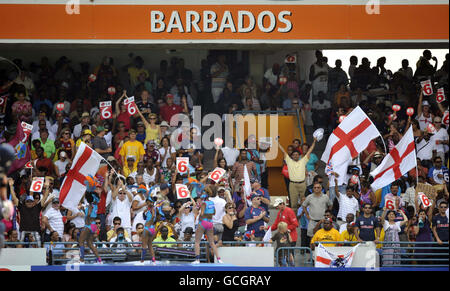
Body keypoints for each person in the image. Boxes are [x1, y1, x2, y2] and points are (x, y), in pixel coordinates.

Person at [277, 137, 317, 213]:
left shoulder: (303, 161)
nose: (295, 156)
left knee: (304, 203)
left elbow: (310, 150)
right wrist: (277, 143)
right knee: (293, 205)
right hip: (292, 185)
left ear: (299, 156)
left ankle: (304, 219)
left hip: (302, 184)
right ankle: (294, 221)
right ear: (291, 156)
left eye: (297, 155)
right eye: (294, 155)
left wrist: (314, 141)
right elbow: (283, 151)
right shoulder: (289, 161)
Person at [193, 191, 223, 264]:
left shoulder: (203, 203)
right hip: (210, 222)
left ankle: (197, 259)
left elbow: (202, 213)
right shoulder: (212, 203)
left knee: (197, 242)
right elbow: (214, 213)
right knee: (212, 242)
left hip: (203, 222)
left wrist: (198, 208)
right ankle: (219, 259)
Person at [78, 176, 103, 264]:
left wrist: (85, 212)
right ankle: (99, 260)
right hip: (93, 226)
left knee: (81, 242)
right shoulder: (95, 205)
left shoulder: (90, 205)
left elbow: (88, 215)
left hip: (88, 225)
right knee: (90, 244)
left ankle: (81, 260)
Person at [138, 196, 157, 264]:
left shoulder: (152, 209)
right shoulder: (150, 209)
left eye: (148, 202)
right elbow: (145, 218)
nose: (147, 203)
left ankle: (142, 260)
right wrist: (144, 212)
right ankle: (153, 259)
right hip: (152, 229)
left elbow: (152, 217)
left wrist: (151, 217)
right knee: (150, 245)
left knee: (144, 245)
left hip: (147, 228)